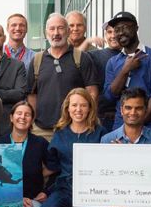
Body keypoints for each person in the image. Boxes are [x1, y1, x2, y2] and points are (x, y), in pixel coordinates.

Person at [34, 88, 106, 207]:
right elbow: (52, 166)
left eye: (83, 105)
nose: (78, 109)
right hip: (65, 188)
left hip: (91, 193)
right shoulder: (60, 132)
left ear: (90, 108)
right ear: (67, 108)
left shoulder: (100, 133)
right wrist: (42, 189)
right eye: (74, 105)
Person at [26, 13, 99, 141]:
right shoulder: (37, 60)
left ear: (68, 31)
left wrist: (86, 119)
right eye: (52, 29)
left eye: (60, 28)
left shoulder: (82, 58)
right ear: (46, 32)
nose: (56, 33)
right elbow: (32, 95)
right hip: (42, 130)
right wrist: (32, 121)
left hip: (74, 130)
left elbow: (92, 92)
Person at [0, 101, 51, 207]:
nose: (22, 117)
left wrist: (46, 191)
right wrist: (15, 197)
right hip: (5, 197)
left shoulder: (40, 143)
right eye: (19, 113)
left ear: (32, 119)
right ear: (11, 117)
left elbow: (55, 170)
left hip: (32, 198)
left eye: (27, 114)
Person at [104, 11, 151, 131]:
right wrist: (125, 70)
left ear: (136, 28)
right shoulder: (113, 62)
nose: (121, 33)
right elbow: (109, 95)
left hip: (150, 128)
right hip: (120, 127)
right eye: (117, 30)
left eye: (125, 27)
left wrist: (137, 125)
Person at [88, 22, 122, 131]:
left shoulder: (133, 56)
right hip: (102, 117)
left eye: (116, 31)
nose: (113, 36)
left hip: (126, 116)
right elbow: (74, 62)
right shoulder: (94, 55)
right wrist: (87, 41)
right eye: (109, 32)